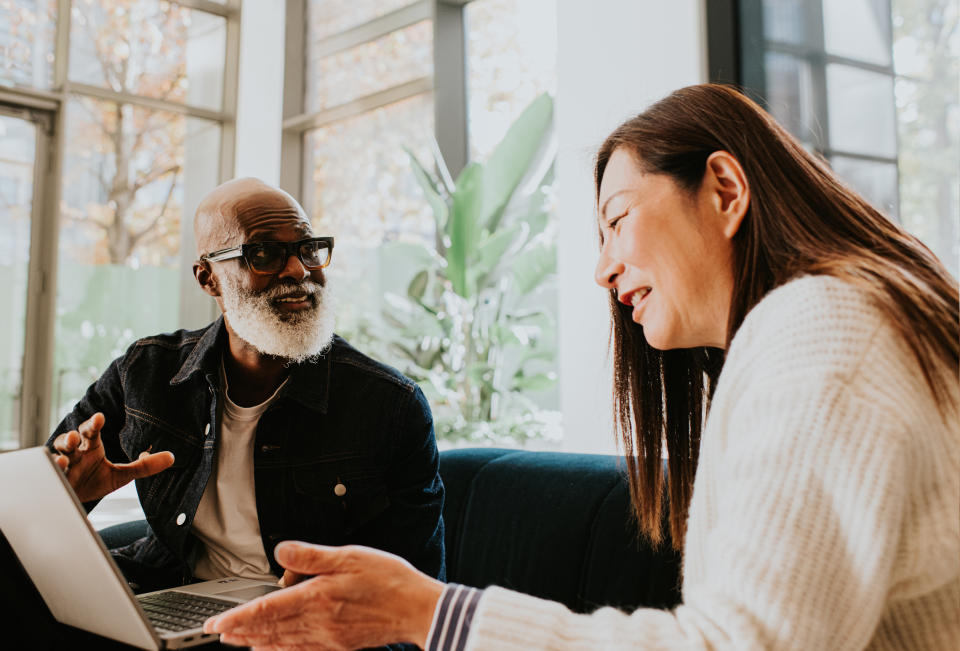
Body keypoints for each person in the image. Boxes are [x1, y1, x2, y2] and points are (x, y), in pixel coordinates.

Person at [203, 84, 959, 650]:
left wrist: (428, 610)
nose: (602, 270)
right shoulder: (816, 330)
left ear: (725, 191)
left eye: (618, 220)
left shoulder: (821, 330)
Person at [45, 179, 445, 621]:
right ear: (208, 278)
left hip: (308, 622)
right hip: (169, 595)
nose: (297, 270)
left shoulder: (390, 405)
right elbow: (36, 509)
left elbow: (419, 596)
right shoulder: (145, 373)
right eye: (265, 253)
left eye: (308, 249)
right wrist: (69, 498)